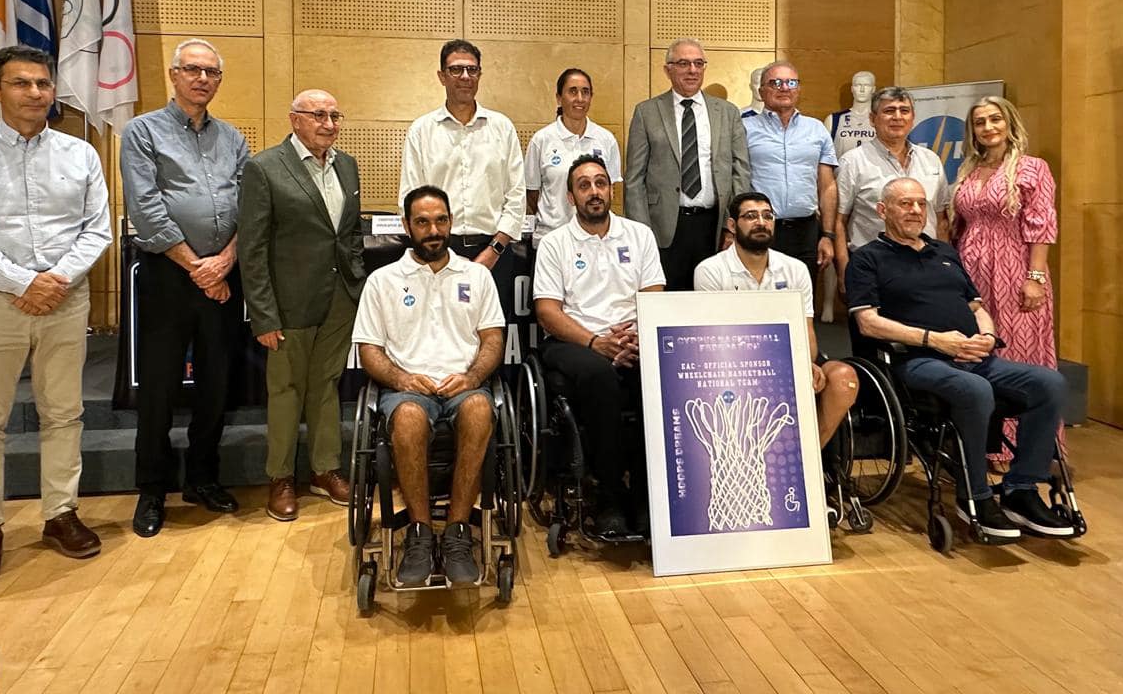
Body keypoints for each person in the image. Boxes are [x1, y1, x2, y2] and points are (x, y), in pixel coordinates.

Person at [0, 45, 112, 587]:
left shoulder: (81, 154)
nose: (35, 93)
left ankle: (60, 513)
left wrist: (55, 280)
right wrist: (22, 282)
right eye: (21, 83)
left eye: (43, 83)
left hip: (63, 300)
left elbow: (97, 229)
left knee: (64, 414)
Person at [845, 177, 1076, 540]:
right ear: (882, 210)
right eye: (905, 204)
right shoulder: (867, 259)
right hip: (918, 360)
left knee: (1050, 383)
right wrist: (935, 340)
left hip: (974, 356)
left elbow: (976, 306)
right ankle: (975, 496)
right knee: (975, 389)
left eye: (921, 203)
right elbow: (868, 322)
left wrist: (987, 335)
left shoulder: (944, 253)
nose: (915, 211)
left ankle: (1021, 489)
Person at [120, 38, 249, 538]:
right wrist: (199, 269)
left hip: (224, 273)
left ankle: (202, 479)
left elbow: (248, 206)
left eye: (211, 72)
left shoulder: (232, 138)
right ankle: (153, 488)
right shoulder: (143, 131)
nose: (202, 79)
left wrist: (225, 261)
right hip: (169, 274)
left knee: (216, 384)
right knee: (158, 387)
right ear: (174, 76)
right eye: (192, 70)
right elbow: (145, 206)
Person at [352, 186, 505, 587]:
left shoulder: (477, 276)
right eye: (422, 222)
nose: (433, 230)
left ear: (451, 222)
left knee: (480, 408)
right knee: (407, 417)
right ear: (407, 226)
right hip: (406, 389)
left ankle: (457, 532)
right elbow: (369, 350)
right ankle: (419, 534)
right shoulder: (383, 281)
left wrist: (472, 377)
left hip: (463, 386)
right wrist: (402, 379)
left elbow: (493, 340)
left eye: (440, 221)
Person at [238, 89, 365, 521]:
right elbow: (252, 248)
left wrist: (355, 278)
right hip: (288, 303)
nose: (329, 124)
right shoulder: (264, 168)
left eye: (335, 115)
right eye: (318, 115)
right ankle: (281, 477)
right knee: (286, 390)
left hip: (339, 298)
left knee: (327, 384)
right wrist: (263, 314)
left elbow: (349, 232)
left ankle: (324, 470)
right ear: (295, 119)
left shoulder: (347, 165)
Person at [533, 155, 665, 536]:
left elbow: (654, 292)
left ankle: (645, 497)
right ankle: (608, 495)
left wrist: (636, 335)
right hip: (574, 341)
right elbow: (547, 311)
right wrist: (595, 342)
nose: (594, 191)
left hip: (632, 337)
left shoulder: (639, 235)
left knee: (657, 370)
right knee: (600, 376)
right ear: (571, 197)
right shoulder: (555, 244)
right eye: (584, 185)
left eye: (601, 183)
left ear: (611, 190)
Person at [950, 96, 1065, 467]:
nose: (988, 127)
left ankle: (1025, 448)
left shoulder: (1033, 168)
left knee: (1018, 353)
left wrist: (1035, 277)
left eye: (995, 119)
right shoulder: (968, 169)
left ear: (1009, 122)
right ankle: (986, 444)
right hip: (972, 271)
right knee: (983, 351)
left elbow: (1042, 225)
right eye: (980, 122)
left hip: (1016, 270)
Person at [693, 192, 858, 448]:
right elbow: (720, 341)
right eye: (751, 216)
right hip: (736, 366)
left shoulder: (795, 269)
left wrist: (805, 363)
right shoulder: (710, 271)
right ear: (732, 225)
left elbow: (806, 329)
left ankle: (810, 454)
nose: (761, 222)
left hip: (791, 356)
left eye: (767, 216)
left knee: (843, 379)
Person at [399, 39, 523, 314]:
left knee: (491, 333)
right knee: (437, 331)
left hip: (494, 252)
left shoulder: (502, 127)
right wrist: (437, 253)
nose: (465, 76)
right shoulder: (422, 130)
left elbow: (516, 196)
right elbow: (410, 200)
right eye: (456, 70)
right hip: (437, 252)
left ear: (479, 74)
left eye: (472, 69)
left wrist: (494, 251)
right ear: (441, 76)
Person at [624, 38, 750, 290]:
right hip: (663, 228)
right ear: (667, 69)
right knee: (667, 302)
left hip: (714, 226)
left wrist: (733, 225)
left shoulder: (727, 113)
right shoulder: (647, 112)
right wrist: (642, 234)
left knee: (712, 302)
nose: (692, 70)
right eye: (683, 63)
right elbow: (634, 180)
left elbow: (741, 170)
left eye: (698, 63)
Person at [834, 85, 948, 294]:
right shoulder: (853, 162)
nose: (897, 117)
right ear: (872, 119)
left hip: (926, 264)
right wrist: (843, 272)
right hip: (874, 268)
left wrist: (944, 263)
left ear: (912, 118)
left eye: (904, 111)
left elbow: (941, 219)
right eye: (889, 111)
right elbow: (839, 222)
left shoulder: (931, 160)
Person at [742, 61, 838, 285]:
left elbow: (827, 186)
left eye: (791, 82)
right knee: (760, 297)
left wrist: (827, 235)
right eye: (776, 83)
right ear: (761, 91)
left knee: (803, 299)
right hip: (760, 229)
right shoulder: (744, 128)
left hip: (806, 232)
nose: (784, 88)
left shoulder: (816, 129)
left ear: (798, 89)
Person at [525, 67, 622, 247]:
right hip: (551, 239)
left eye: (585, 92)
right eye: (572, 91)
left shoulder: (606, 139)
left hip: (594, 240)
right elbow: (532, 192)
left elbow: (609, 190)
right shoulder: (542, 139)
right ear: (559, 98)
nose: (580, 98)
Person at [821, 70, 879, 322]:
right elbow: (824, 160)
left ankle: (868, 303)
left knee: (867, 244)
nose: (862, 89)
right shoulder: (834, 120)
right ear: (852, 89)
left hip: (870, 190)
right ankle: (828, 303)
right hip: (839, 188)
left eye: (867, 85)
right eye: (857, 85)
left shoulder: (878, 118)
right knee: (833, 243)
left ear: (874, 89)